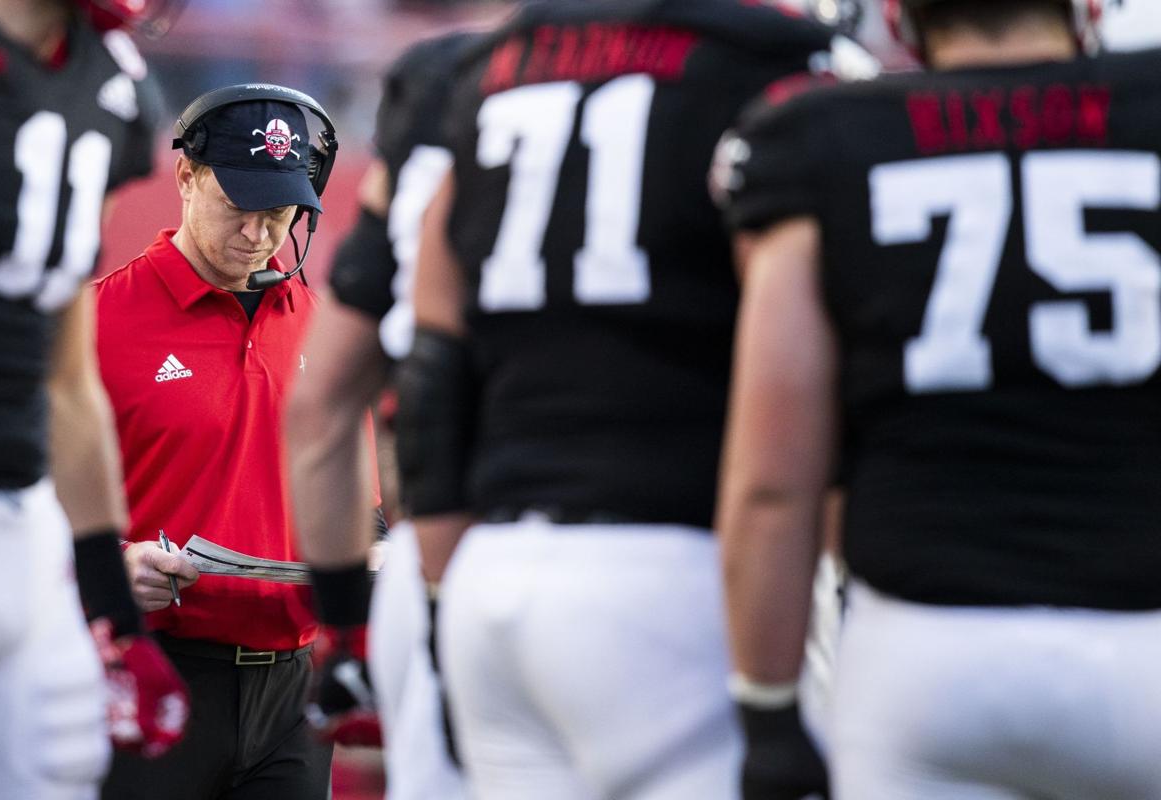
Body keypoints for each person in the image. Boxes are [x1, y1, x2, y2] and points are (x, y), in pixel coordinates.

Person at [716, 0, 1161, 797]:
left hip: (925, 655)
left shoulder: (828, 138)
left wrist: (768, 709)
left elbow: (773, 480)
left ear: (900, 13)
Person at [400, 3, 837, 797]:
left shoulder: (489, 69)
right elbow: (796, 393)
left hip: (490, 577)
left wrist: (436, 607)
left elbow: (432, 375)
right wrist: (773, 705)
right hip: (669, 576)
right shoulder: (762, 64)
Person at [0, 0, 190, 797]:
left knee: (60, 767)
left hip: (22, 522)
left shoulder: (109, 85)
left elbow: (63, 372)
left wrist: (113, 615)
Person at [94, 83, 341, 799]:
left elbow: (353, 492)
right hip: (153, 671)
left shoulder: (320, 324)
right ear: (185, 177)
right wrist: (111, 564)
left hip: (293, 689)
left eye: (280, 211)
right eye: (240, 205)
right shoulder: (97, 322)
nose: (260, 234)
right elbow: (20, 504)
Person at [286, 30, 479, 800]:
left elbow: (323, 403)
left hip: (446, 557)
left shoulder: (446, 79)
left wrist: (346, 632)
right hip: (671, 559)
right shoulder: (756, 70)